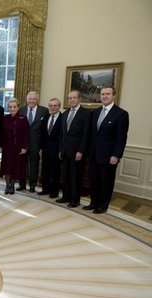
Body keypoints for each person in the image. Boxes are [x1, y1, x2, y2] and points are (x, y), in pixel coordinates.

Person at [84, 85, 129, 214]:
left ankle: (103, 205)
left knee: (106, 182)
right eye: (102, 94)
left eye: (107, 94)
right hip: (93, 154)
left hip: (109, 156)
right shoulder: (96, 112)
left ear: (114, 96)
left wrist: (116, 155)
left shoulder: (121, 114)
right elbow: (91, 135)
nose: (104, 96)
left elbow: (121, 138)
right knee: (93, 180)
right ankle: (93, 202)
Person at [57, 90, 91, 207]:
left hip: (77, 152)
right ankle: (65, 197)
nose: (71, 100)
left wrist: (81, 151)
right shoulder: (65, 114)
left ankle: (75, 200)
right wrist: (61, 150)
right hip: (65, 151)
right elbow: (62, 134)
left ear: (79, 99)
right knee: (65, 176)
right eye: (70, 98)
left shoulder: (86, 114)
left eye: (74, 98)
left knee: (75, 177)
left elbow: (86, 135)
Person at [18, 91, 49, 193]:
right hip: (22, 144)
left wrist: (42, 146)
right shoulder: (21, 110)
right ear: (27, 99)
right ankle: (22, 184)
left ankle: (32, 185)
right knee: (22, 165)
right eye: (29, 99)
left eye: (33, 99)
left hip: (36, 144)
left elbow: (45, 130)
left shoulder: (44, 111)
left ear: (37, 99)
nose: (31, 101)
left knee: (34, 166)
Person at [38, 98, 63, 199]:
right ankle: (45, 189)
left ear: (59, 106)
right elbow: (42, 135)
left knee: (55, 171)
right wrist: (40, 148)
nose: (52, 107)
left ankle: (54, 192)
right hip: (45, 149)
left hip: (56, 150)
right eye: (51, 105)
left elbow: (63, 136)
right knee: (45, 170)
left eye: (55, 105)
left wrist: (61, 150)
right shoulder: (46, 117)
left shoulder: (63, 118)